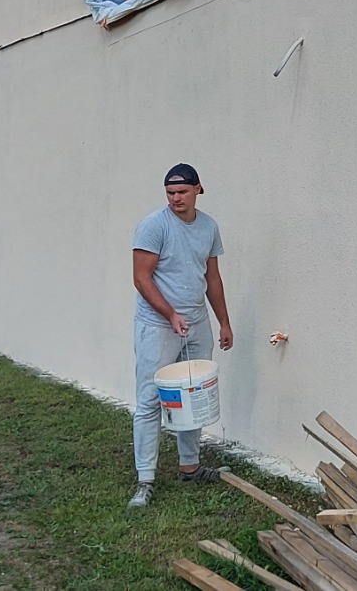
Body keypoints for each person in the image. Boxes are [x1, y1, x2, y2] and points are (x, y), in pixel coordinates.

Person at [127, 163, 234, 509]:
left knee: (193, 394)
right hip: (158, 326)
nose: (176, 198)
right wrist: (169, 314)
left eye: (182, 192)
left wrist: (223, 323)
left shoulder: (208, 227)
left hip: (196, 322)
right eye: (170, 193)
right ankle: (145, 479)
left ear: (197, 190)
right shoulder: (154, 226)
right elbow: (142, 278)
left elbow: (212, 278)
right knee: (148, 399)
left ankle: (190, 467)